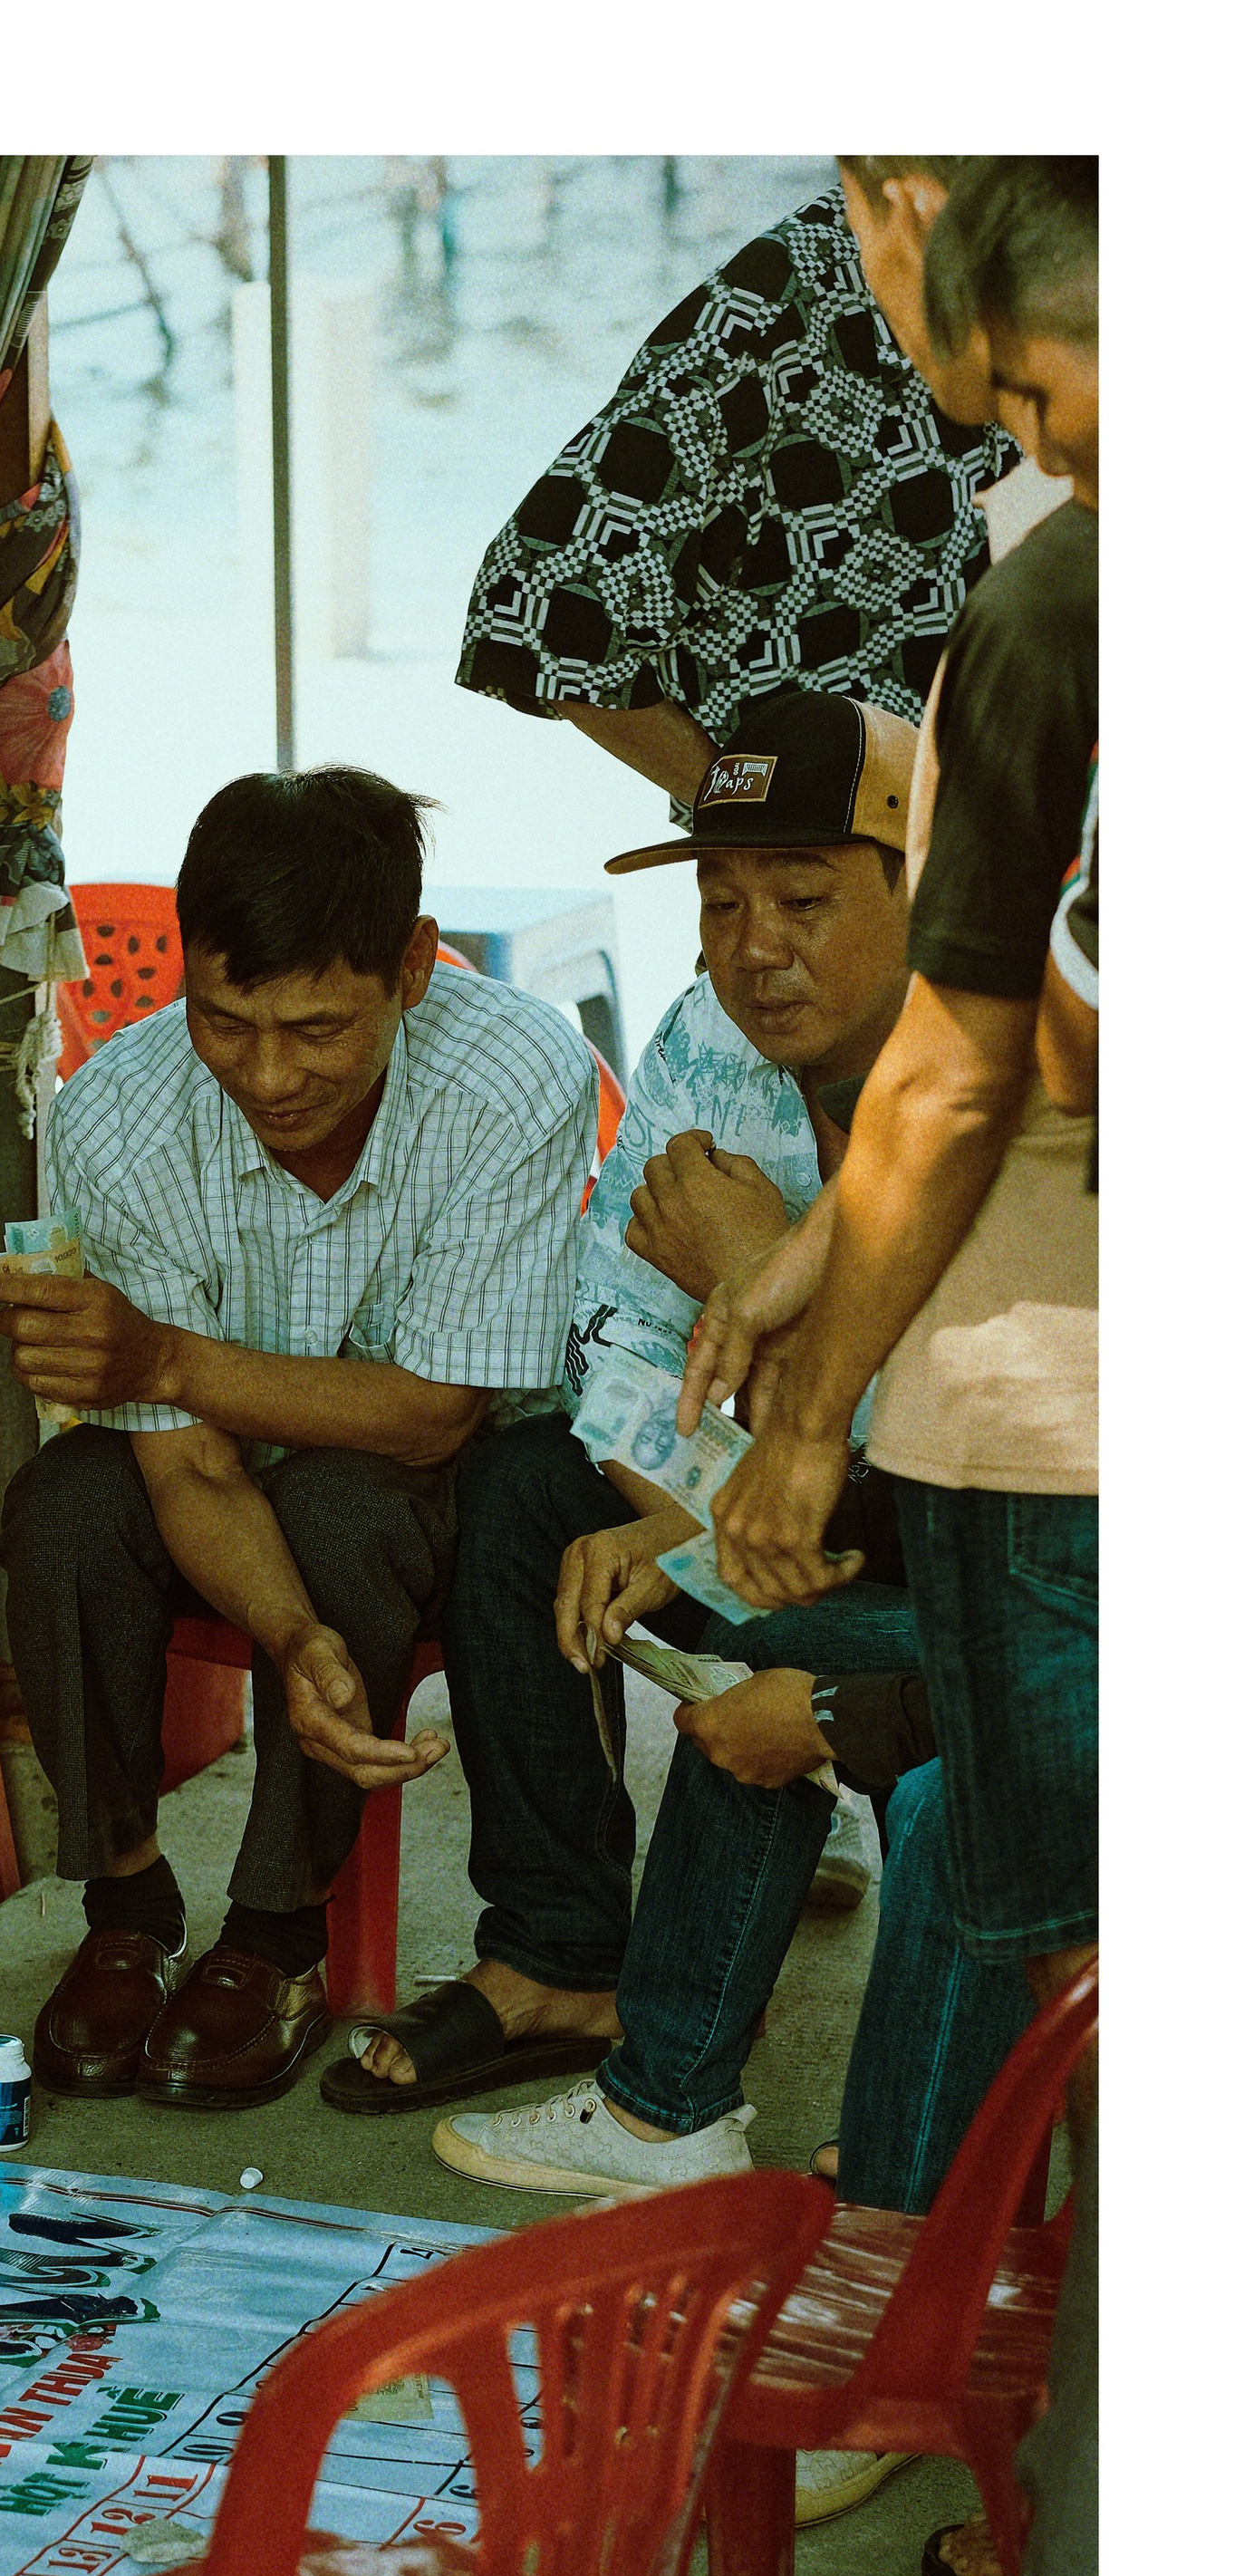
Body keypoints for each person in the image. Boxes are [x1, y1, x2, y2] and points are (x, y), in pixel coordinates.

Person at [700, 159, 1098, 2576]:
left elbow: (963, 1060)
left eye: (1046, 397)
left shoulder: (1081, 584)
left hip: (1078, 1452)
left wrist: (818, 1394)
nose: (1036, 444)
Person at [339, 691, 925, 2157]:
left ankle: (691, 2099)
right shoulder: (703, 1036)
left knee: (786, 1617)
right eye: (721, 901)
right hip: (772, 1475)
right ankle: (558, 1954)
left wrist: (759, 1270)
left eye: (804, 897)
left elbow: (967, 1436)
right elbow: (611, 1323)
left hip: (951, 1535)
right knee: (525, 1489)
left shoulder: (1002, 1076)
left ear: (921, 887)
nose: (754, 946)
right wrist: (679, 1508)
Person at [0, 766, 597, 2113]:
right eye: (226, 1021)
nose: (268, 1076)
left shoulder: (514, 1078)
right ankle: (126, 1903)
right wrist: (289, 1633)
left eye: (317, 1029)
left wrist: (162, 1358)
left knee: (343, 1508)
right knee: (65, 1504)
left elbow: (432, 1417)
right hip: (215, 1481)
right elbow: (185, 1460)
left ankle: (275, 1933)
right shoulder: (119, 1116)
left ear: (413, 969)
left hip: (430, 1493)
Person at [457, 176, 1013, 811]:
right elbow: (546, 597)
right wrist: (752, 819)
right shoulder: (779, 312)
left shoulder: (1049, 270)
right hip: (838, 855)